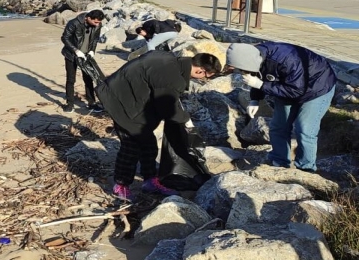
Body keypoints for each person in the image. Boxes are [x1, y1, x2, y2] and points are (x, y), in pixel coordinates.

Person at [95, 51, 222, 199]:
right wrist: (185, 119)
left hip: (128, 95)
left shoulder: (173, 61)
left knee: (149, 144)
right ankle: (120, 186)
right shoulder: (172, 77)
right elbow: (166, 107)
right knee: (131, 146)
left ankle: (149, 181)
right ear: (200, 70)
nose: (202, 80)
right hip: (120, 101)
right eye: (206, 77)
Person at [226, 42, 336, 173]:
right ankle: (280, 163)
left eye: (240, 68)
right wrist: (255, 99)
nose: (240, 72)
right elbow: (256, 75)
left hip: (317, 87)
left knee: (305, 129)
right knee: (278, 126)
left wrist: (261, 85)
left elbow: (296, 91)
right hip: (288, 86)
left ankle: (306, 169)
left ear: (246, 62)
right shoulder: (253, 58)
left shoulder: (287, 60)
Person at [60, 9, 105, 113]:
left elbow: (95, 39)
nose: (97, 24)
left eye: (99, 22)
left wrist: (92, 51)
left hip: (86, 55)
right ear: (88, 18)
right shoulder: (74, 23)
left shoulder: (98, 25)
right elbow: (64, 38)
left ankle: (92, 103)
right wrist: (75, 50)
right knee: (71, 80)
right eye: (95, 22)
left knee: (89, 79)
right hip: (71, 55)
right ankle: (69, 104)